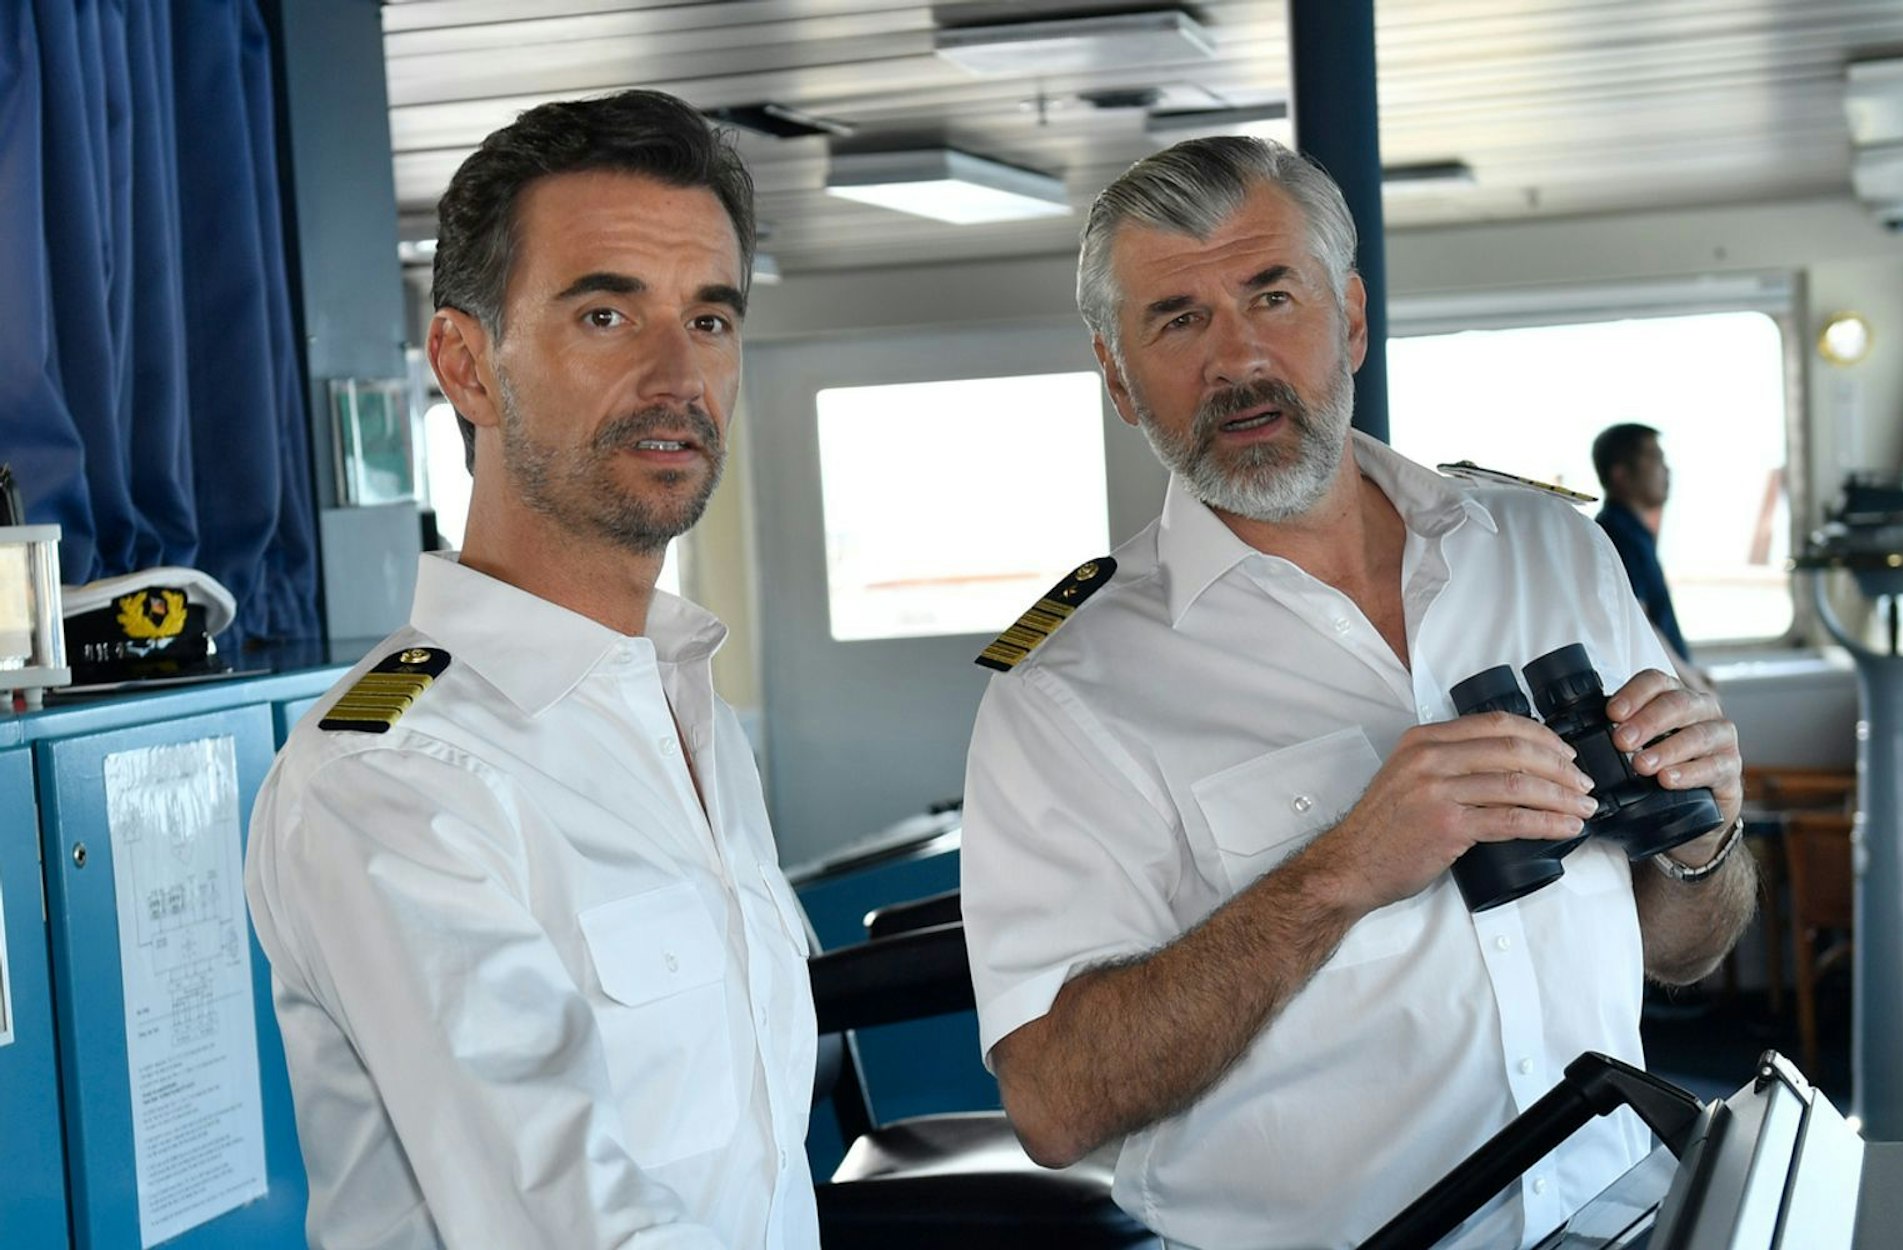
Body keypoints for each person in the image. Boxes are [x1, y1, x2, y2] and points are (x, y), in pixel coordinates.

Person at [959, 137, 1756, 1250]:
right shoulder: (1063, 692)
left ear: (1351, 317)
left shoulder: (1550, 549)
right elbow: (1052, 1102)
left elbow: (1683, 948)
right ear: (1114, 373)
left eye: (1270, 294)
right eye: (1176, 318)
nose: (1235, 359)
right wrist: (1340, 872)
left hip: (1629, 1213)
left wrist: (1703, 833)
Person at [243, 91, 818, 1249]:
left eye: (709, 320)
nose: (676, 374)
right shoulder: (394, 776)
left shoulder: (681, 702)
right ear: (466, 365)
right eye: (606, 314)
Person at [1591, 423, 1698, 678]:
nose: (1666, 470)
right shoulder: (1617, 533)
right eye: (1656, 459)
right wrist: (1689, 679)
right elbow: (1639, 622)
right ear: (1621, 474)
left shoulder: (1635, 532)